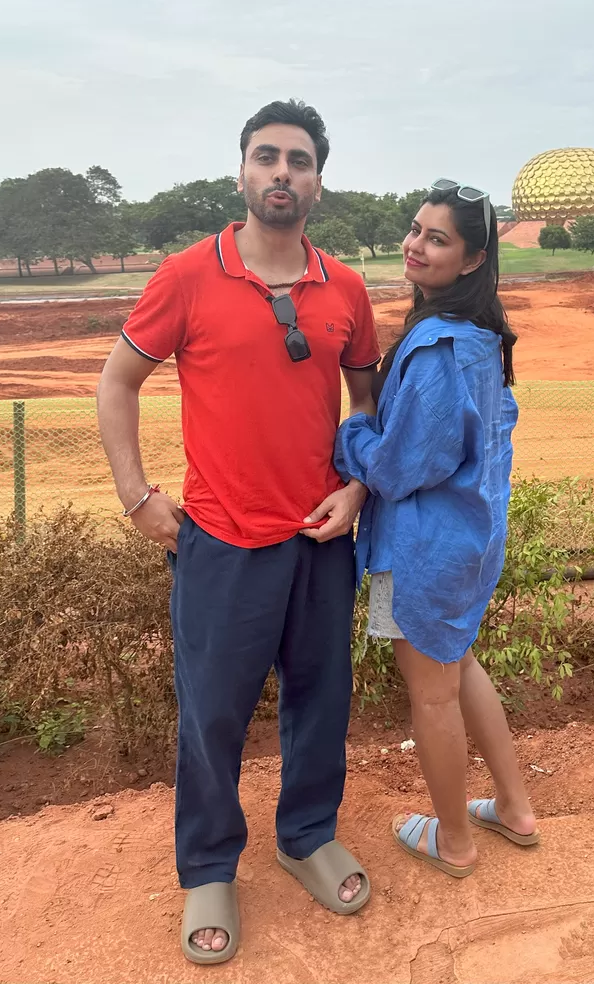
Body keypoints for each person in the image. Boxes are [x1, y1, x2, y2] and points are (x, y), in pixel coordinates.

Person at [96, 100, 380, 965]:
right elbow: (117, 382)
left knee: (321, 699)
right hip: (220, 541)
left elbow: (368, 403)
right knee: (213, 713)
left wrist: (358, 488)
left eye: (299, 159)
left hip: (320, 538)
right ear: (243, 173)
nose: (282, 172)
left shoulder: (347, 289)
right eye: (267, 156)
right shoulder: (187, 275)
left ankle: (307, 835)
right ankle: (210, 865)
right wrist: (136, 496)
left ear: (318, 181)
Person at [334, 180, 538, 879]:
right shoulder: (481, 338)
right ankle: (513, 807)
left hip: (420, 550)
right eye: (416, 229)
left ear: (473, 259)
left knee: (430, 692)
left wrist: (352, 431)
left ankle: (453, 841)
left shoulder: (436, 348)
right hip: (469, 540)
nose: (416, 245)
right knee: (459, 663)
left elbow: (398, 468)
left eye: (438, 238)